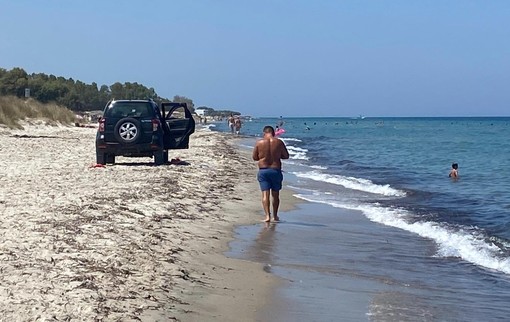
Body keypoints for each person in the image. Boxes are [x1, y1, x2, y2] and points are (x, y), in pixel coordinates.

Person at [252, 126, 290, 222]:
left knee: (265, 194)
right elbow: (286, 156)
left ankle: (267, 216)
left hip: (263, 170)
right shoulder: (279, 142)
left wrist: (263, 156)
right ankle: (275, 216)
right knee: (275, 195)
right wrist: (277, 155)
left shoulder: (259, 143)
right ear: (273, 133)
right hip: (275, 170)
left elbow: (255, 157)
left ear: (264, 133)